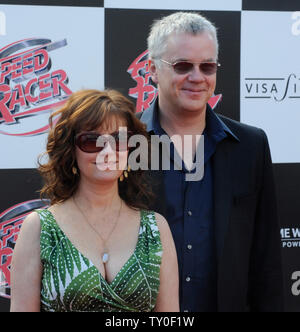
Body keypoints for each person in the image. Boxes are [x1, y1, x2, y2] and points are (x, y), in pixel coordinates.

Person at [137, 12, 284, 312]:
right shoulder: (123, 145)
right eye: (182, 66)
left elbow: (265, 261)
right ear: (152, 69)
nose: (197, 77)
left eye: (207, 66)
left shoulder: (251, 146)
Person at [10, 89, 179, 312]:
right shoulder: (40, 228)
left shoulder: (155, 228)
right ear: (71, 149)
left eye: (119, 140)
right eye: (92, 141)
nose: (108, 151)